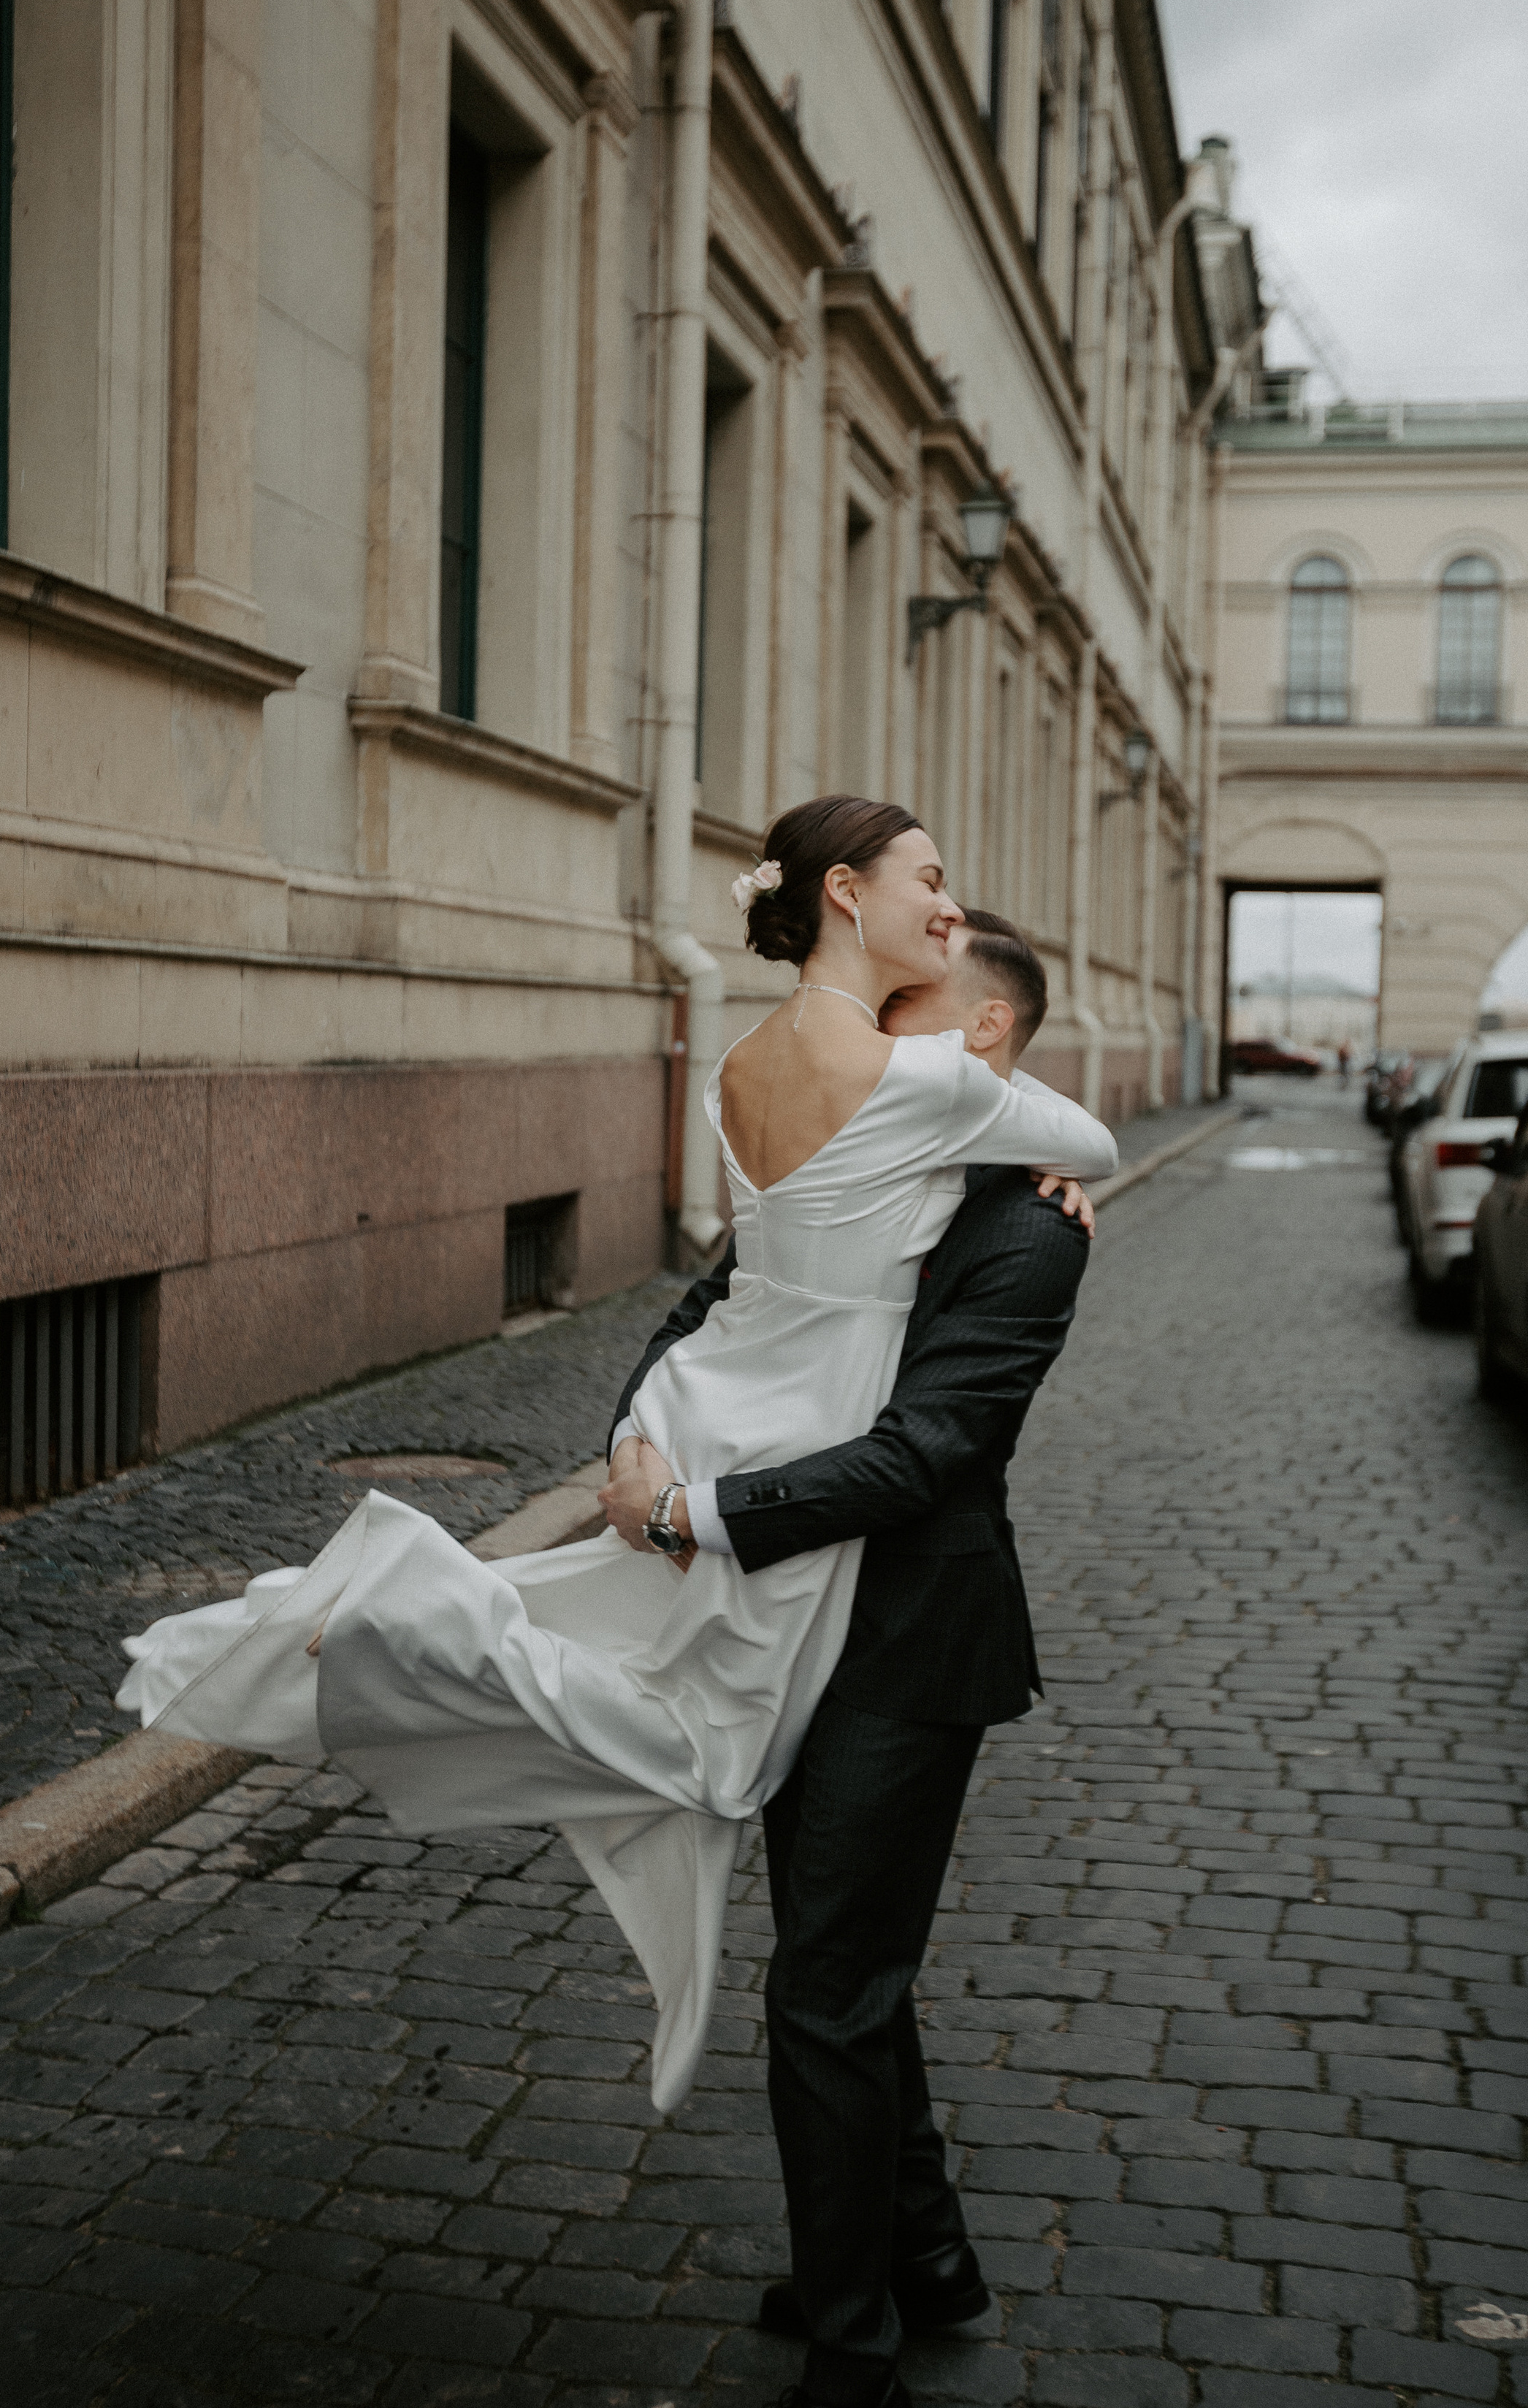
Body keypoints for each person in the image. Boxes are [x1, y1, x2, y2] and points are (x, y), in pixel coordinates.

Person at [115, 795, 1114, 2134]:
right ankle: (412, 1632)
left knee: (650, 1664)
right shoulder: (927, 1085)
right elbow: (1089, 1142)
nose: (946, 902)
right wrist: (1057, 1153)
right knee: (703, 1727)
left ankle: (398, 1627)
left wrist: (648, 1454)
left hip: (711, 1403)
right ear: (843, 892)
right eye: (928, 878)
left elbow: (738, 1277)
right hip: (804, 1427)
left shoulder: (738, 1064)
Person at [603, 909, 1102, 2408]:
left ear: (985, 1046)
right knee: (848, 1968)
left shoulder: (1030, 1224)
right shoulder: (842, 1164)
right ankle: (925, 2256)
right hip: (776, 1638)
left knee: (823, 1991)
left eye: (911, 1011)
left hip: (902, 1648)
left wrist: (705, 1518)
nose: (871, 1034)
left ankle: (850, 2386)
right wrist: (632, 1436)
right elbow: (713, 1314)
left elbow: (924, 1455)